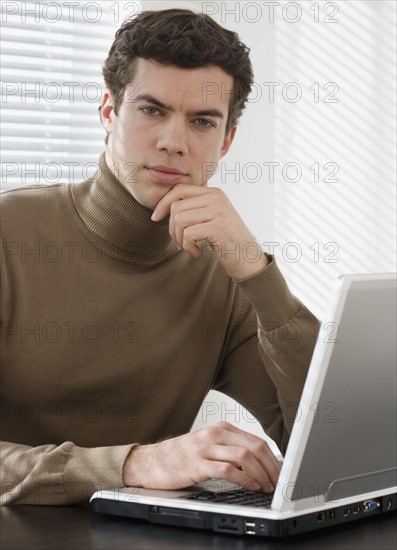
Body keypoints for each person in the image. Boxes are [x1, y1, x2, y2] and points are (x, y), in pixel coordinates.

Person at [0, 9, 319, 505]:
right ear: (108, 113)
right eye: (152, 110)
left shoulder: (225, 271)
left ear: (226, 140)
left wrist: (259, 276)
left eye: (202, 122)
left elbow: (319, 437)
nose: (174, 143)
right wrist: (136, 463)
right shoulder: (9, 234)